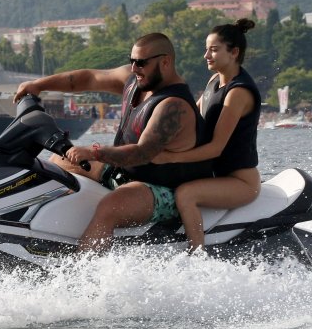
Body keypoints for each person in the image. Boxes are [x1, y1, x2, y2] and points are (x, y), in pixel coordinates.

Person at [14, 33, 211, 251]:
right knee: (57, 162)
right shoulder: (134, 79)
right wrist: (38, 85)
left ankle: (83, 267)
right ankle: (45, 230)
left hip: (161, 188)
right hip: (123, 170)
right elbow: (89, 78)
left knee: (110, 206)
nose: (134, 68)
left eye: (141, 63)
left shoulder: (174, 105)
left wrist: (93, 152)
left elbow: (142, 153)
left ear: (165, 62)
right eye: (132, 60)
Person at [152, 19, 261, 250]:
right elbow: (191, 117)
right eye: (206, 49)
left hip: (240, 182)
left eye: (213, 50)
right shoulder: (214, 81)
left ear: (234, 52)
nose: (206, 55)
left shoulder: (238, 92)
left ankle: (198, 257)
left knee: (185, 194)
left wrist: (170, 157)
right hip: (214, 174)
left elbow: (215, 148)